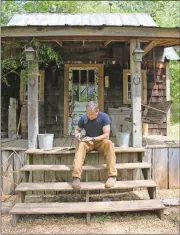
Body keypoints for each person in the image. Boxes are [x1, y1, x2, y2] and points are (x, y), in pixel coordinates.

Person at [72, 100, 117, 190]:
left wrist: (92, 138)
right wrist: (77, 134)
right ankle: (76, 177)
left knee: (109, 144)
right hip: (89, 142)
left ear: (97, 111)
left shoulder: (104, 117)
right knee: (80, 144)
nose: (90, 116)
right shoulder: (84, 118)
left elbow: (106, 135)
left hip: (101, 141)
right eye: (88, 114)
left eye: (92, 114)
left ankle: (112, 176)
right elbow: (77, 130)